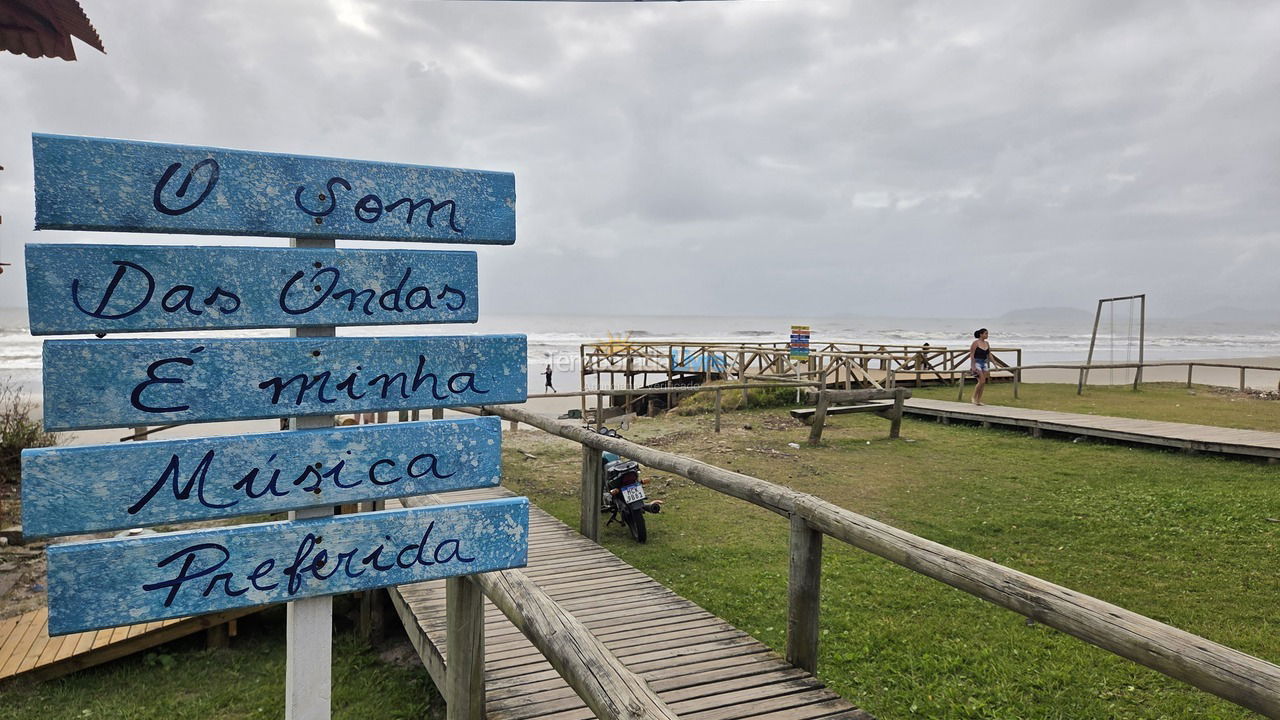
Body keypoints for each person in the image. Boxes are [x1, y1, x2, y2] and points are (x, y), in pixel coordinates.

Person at [964, 328, 991, 405]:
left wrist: (995, 363)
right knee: (981, 381)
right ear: (981, 334)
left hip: (984, 363)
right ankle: (973, 397)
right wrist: (973, 366)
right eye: (986, 333)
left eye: (987, 333)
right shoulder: (975, 343)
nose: (987, 335)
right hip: (977, 363)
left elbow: (989, 354)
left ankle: (978, 400)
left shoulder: (987, 343)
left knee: (983, 382)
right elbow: (971, 354)